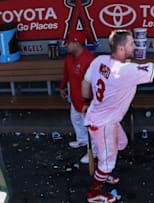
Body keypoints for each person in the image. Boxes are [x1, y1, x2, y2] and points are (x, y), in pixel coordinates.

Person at [81, 19, 154, 203]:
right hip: (102, 124)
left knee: (121, 143)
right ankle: (94, 192)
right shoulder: (124, 70)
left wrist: (84, 101)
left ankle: (102, 173)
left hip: (100, 116)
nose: (135, 45)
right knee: (108, 162)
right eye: (131, 43)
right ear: (121, 48)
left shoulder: (100, 60)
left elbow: (85, 81)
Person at [60, 30, 97, 164]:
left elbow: (94, 84)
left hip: (87, 101)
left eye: (68, 42)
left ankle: (94, 151)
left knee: (91, 130)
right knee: (75, 119)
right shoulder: (70, 56)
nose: (65, 45)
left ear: (76, 43)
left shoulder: (89, 59)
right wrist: (62, 87)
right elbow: (66, 74)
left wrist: (90, 103)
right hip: (74, 98)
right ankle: (82, 140)